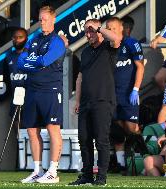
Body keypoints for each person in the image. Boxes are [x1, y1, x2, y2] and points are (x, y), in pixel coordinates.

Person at [17, 5, 66, 184]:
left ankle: (53, 171)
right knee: (31, 130)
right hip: (32, 89)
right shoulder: (34, 39)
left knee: (53, 129)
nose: (42, 22)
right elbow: (21, 62)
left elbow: (45, 61)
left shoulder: (57, 41)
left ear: (53, 19)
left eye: (45, 19)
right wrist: (34, 62)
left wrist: (33, 61)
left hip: (50, 90)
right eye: (40, 19)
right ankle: (37, 170)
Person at [69, 18, 120, 185]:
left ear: (98, 30)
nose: (88, 34)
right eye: (86, 31)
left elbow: (116, 38)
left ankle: (101, 177)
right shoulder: (85, 52)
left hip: (103, 100)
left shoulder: (108, 47)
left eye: (90, 31)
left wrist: (98, 28)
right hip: (85, 102)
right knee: (83, 139)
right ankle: (87, 175)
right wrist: (77, 101)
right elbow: (80, 77)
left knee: (101, 140)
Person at [106, 17, 146, 172]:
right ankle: (122, 165)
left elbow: (140, 67)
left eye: (114, 28)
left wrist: (136, 89)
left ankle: (143, 158)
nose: (111, 31)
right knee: (116, 130)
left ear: (121, 28)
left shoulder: (131, 43)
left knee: (131, 127)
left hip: (128, 94)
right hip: (111, 95)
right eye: (108, 28)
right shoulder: (106, 46)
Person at [4, 27, 28, 119]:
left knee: (32, 129)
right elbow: (6, 79)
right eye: (15, 37)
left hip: (31, 100)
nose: (17, 39)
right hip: (15, 100)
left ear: (26, 39)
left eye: (20, 37)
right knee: (16, 124)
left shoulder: (33, 56)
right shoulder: (8, 57)